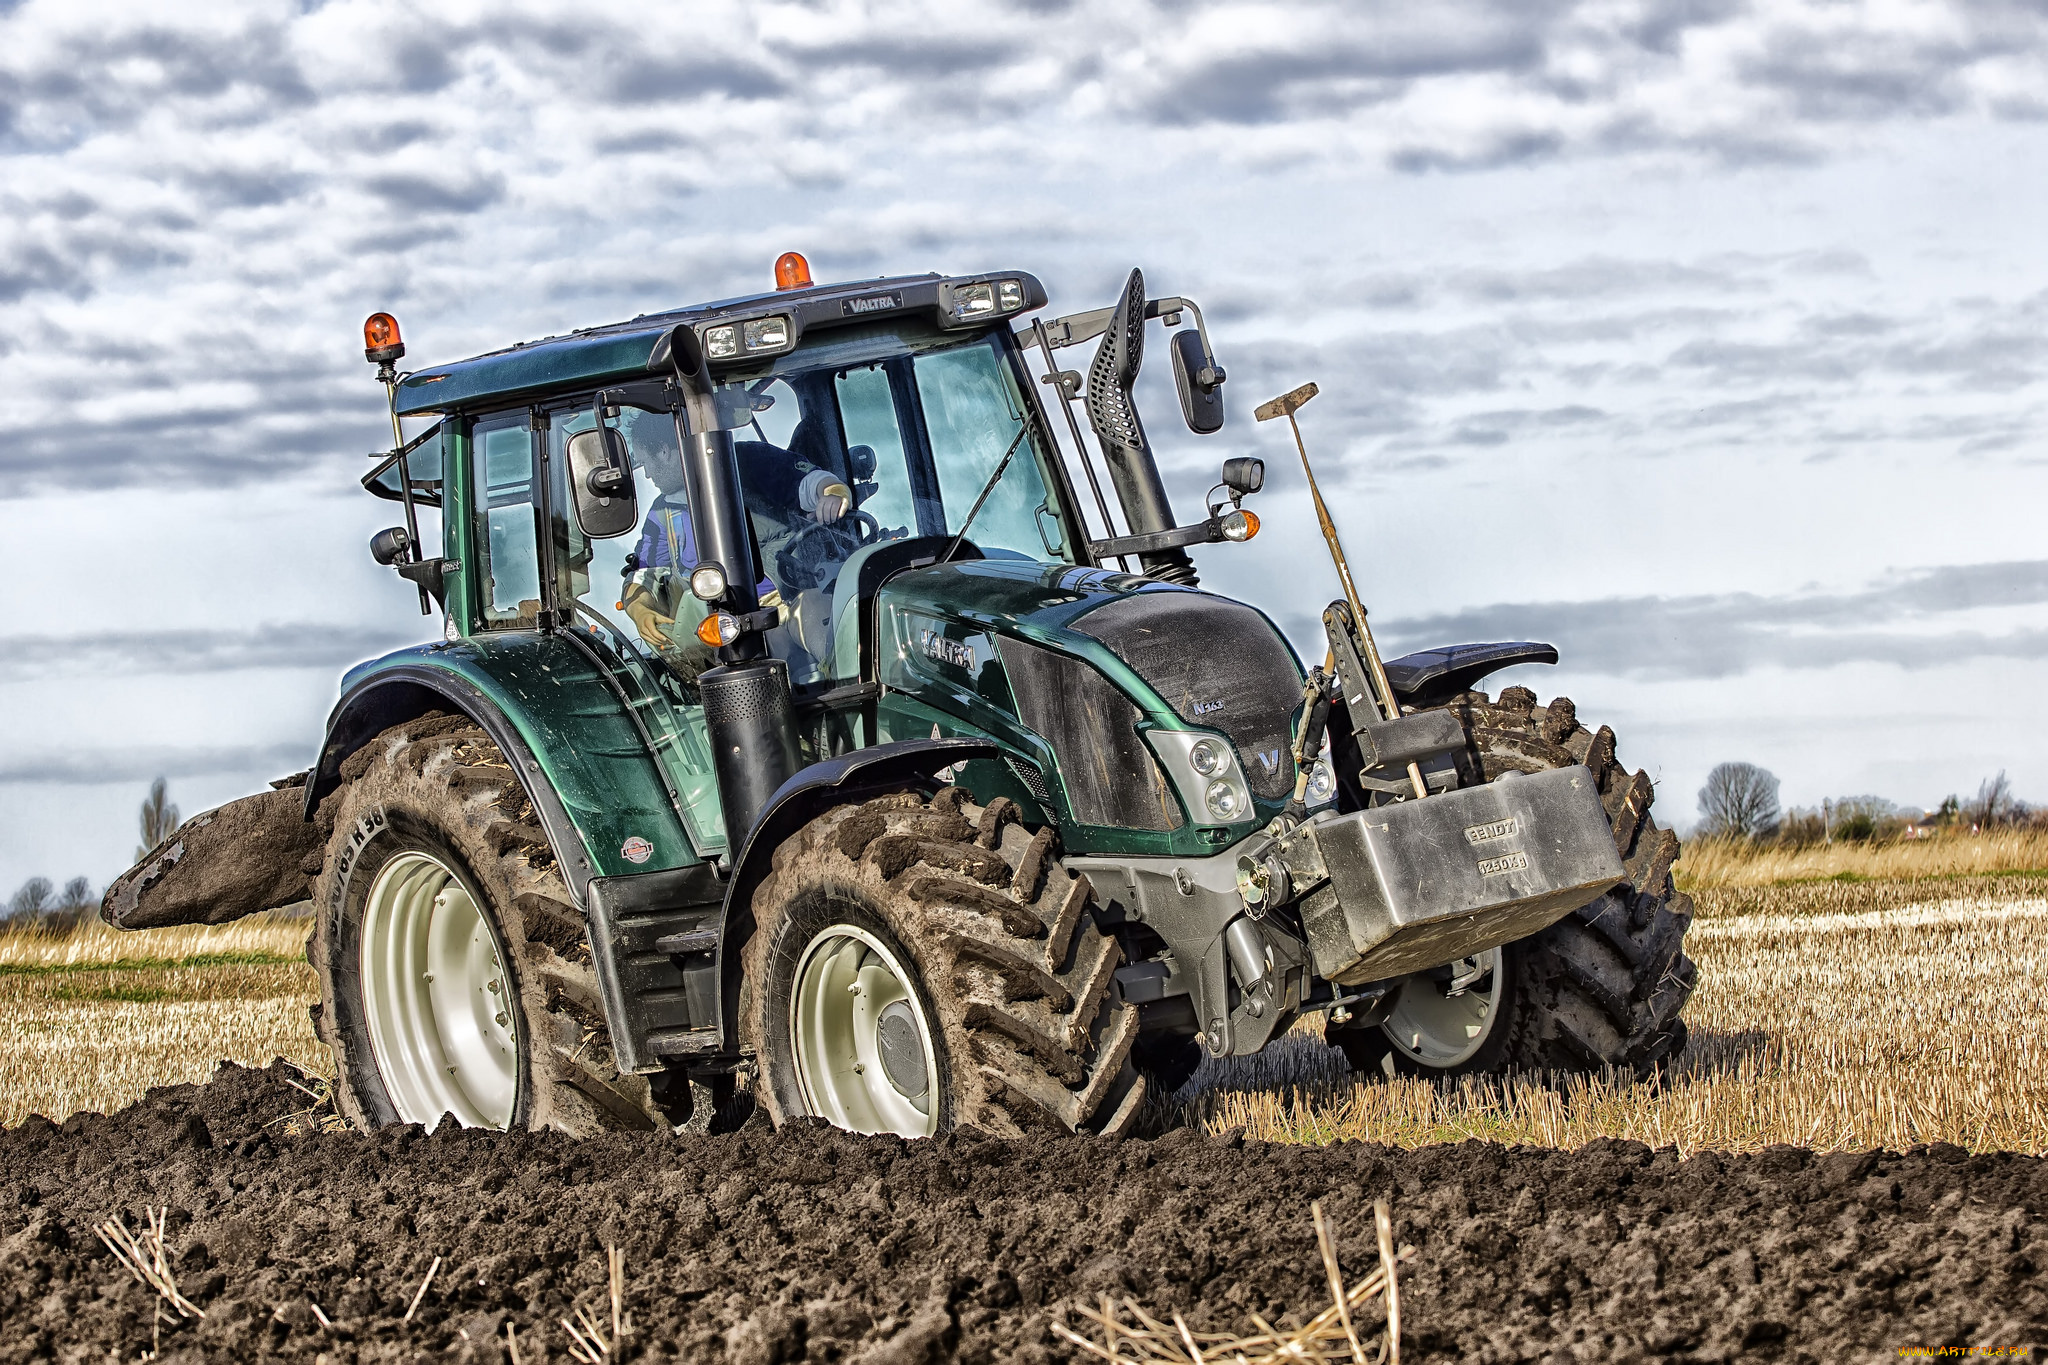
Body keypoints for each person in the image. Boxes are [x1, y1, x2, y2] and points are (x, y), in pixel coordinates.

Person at [617, 410, 851, 681]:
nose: (646, 474)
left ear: (666, 452)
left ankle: (847, 682)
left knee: (818, 619)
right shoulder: (662, 515)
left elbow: (806, 483)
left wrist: (831, 491)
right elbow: (645, 576)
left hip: (791, 599)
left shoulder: (746, 462)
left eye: (646, 462)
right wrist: (639, 609)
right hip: (724, 632)